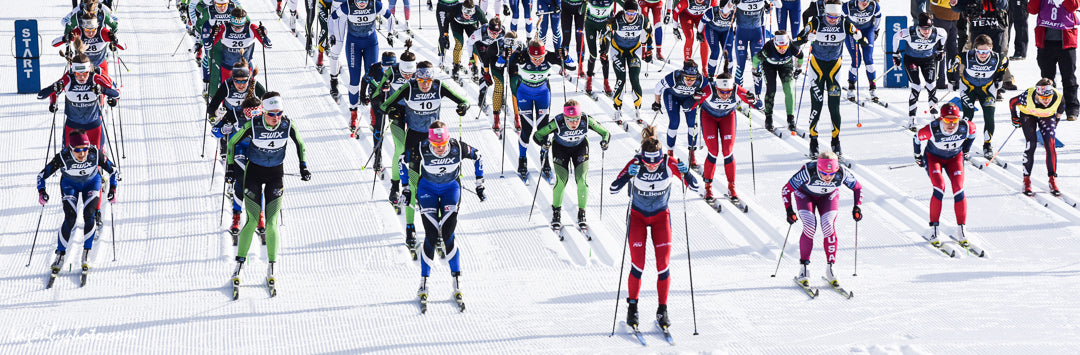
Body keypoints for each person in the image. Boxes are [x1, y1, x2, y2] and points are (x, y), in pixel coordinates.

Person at [609, 125, 699, 330]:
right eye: (648, 163)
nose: (651, 167)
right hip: (638, 217)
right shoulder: (636, 162)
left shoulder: (669, 163)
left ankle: (662, 310)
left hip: (660, 217)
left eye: (655, 163)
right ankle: (632, 308)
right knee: (638, 265)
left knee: (663, 265)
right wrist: (626, 176)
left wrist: (688, 174)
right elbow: (613, 189)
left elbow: (694, 187)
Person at [378, 62, 470, 248]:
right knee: (413, 186)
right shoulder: (409, 87)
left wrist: (463, 107)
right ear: (416, 78)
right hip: (414, 140)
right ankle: (410, 228)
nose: (425, 84)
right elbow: (385, 105)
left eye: (428, 80)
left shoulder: (439, 86)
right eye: (421, 80)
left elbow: (464, 100)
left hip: (435, 142)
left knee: (437, 183)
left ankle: (437, 228)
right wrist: (394, 110)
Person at [226, 93, 311, 293]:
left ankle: (272, 268)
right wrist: (230, 169)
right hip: (253, 174)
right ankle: (238, 267)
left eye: (279, 113)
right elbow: (231, 143)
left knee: (272, 223)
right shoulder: (253, 125)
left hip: (275, 175)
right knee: (252, 220)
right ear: (263, 111)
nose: (276, 117)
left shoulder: (287, 125)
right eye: (272, 114)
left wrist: (303, 166)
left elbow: (300, 144)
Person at [412, 121, 485, 306]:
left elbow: (478, 156)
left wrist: (480, 184)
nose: (438, 149)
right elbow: (402, 161)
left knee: (447, 235)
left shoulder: (457, 147)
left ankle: (457, 283)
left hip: (450, 189)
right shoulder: (422, 147)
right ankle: (423, 283)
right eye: (435, 145)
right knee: (430, 234)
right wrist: (405, 188)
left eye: (442, 145)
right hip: (426, 189)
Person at [37, 131, 119, 283]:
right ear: (70, 148)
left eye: (85, 149)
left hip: (92, 182)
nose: (82, 153)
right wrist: (42, 192)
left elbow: (114, 171)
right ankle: (60, 255)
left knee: (89, 214)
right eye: (77, 150)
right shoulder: (63, 156)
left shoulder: (95, 153)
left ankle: (86, 253)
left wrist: (113, 189)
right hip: (70, 184)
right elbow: (41, 175)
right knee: (70, 218)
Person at [795, 0, 867, 156]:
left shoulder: (845, 23)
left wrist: (860, 37)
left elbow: (861, 38)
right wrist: (808, 37)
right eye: (830, 16)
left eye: (836, 17)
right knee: (817, 104)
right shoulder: (816, 21)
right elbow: (797, 39)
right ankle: (813, 141)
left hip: (835, 68)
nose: (833, 20)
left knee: (834, 106)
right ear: (825, 13)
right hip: (817, 67)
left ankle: (836, 141)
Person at [781, 151, 863, 288]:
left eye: (831, 174)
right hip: (805, 195)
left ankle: (830, 268)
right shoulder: (808, 172)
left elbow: (858, 188)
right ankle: (804, 269)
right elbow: (786, 189)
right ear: (818, 168)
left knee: (828, 225)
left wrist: (857, 207)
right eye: (824, 173)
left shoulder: (841, 173)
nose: (828, 177)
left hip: (828, 197)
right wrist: (789, 210)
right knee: (809, 225)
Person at [533, 100, 612, 231]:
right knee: (561, 181)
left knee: (581, 180)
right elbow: (537, 135)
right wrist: (543, 144)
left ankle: (582, 213)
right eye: (569, 120)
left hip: (580, 148)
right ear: (564, 117)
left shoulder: (586, 120)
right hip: (560, 149)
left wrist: (604, 142)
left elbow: (606, 133)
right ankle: (556, 213)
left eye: (576, 119)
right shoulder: (558, 122)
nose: (574, 123)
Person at [508, 39, 574, 182]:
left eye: (540, 58)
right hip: (524, 93)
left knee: (543, 129)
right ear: (528, 54)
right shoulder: (522, 56)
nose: (537, 61)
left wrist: (566, 56)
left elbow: (573, 66)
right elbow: (504, 66)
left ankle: (545, 160)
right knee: (527, 128)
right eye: (534, 58)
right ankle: (522, 160)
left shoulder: (550, 56)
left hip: (543, 94)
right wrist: (508, 57)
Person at [694, 73, 762, 203]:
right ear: (717, 88)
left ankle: (732, 187)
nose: (725, 95)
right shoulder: (709, 89)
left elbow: (758, 105)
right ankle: (708, 187)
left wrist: (754, 100)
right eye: (722, 92)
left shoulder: (737, 90)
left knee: (728, 150)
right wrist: (695, 97)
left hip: (727, 117)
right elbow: (691, 105)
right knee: (713, 151)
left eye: (728, 92)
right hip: (709, 118)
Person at [913, 103, 975, 245]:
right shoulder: (932, 128)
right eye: (947, 120)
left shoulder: (965, 126)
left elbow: (973, 133)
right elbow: (916, 138)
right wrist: (917, 156)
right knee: (939, 187)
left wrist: (966, 149)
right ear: (941, 119)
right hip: (934, 158)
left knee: (959, 188)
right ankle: (934, 230)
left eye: (954, 120)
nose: (951, 124)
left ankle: (961, 229)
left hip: (955, 158)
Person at [330, 0, 393, 131]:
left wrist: (390, 33)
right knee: (354, 80)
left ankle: (373, 113)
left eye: (365, 0)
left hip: (371, 43)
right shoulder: (348, 5)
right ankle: (353, 114)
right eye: (359, 0)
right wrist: (332, 34)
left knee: (373, 79)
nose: (362, 3)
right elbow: (333, 17)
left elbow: (389, 16)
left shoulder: (375, 4)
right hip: (353, 44)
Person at [37, 54, 121, 151]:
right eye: (77, 74)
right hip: (72, 126)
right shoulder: (68, 79)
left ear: (89, 70)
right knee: (68, 160)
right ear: (74, 72)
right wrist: (54, 89)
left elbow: (116, 94)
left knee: (97, 160)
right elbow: (40, 95)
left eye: (85, 73)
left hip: (93, 125)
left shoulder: (95, 78)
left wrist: (102, 89)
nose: (81, 77)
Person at [950, 34, 1008, 158]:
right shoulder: (967, 56)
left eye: (986, 51)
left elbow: (1004, 63)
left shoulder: (997, 58)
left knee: (989, 116)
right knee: (968, 115)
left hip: (987, 89)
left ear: (991, 49)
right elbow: (952, 62)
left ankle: (987, 145)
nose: (983, 54)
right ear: (975, 49)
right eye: (980, 51)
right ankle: (963, 144)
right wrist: (952, 80)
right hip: (968, 88)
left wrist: (999, 78)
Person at [1011, 78, 1065, 196]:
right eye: (1043, 98)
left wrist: (1057, 120)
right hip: (1028, 115)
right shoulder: (1027, 96)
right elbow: (1012, 102)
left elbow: (1062, 106)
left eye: (1048, 97)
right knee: (1031, 144)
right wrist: (1014, 117)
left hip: (1047, 116)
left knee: (1050, 145)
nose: (1046, 100)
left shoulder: (1057, 96)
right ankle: (1026, 180)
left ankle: (1052, 180)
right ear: (1037, 94)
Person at [893, 12, 946, 131]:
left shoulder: (938, 32)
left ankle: (934, 115)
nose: (926, 32)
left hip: (928, 59)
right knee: (916, 87)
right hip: (912, 60)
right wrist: (895, 53)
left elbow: (944, 35)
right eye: (923, 29)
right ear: (918, 27)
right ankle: (912, 117)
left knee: (931, 86)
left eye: (929, 29)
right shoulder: (909, 32)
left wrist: (940, 49)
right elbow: (896, 36)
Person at [1028, 0, 1079, 121]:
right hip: (1045, 42)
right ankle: (1050, 106)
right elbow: (1032, 9)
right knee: (1047, 78)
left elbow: (1073, 6)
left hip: (1066, 42)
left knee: (1069, 77)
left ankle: (1072, 108)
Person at [954, 0, 1016, 95]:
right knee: (977, 57)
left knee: (996, 57)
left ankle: (995, 88)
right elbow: (959, 7)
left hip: (996, 27)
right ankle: (976, 88)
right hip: (977, 27)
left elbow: (1004, 5)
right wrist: (954, 4)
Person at [653, 60, 707, 168]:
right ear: (682, 75)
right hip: (672, 97)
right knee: (674, 122)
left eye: (692, 78)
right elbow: (658, 87)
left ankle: (692, 155)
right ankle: (670, 153)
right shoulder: (674, 77)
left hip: (689, 99)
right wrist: (657, 102)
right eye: (687, 78)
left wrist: (702, 100)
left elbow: (709, 92)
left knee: (693, 124)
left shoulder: (701, 80)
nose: (690, 81)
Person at [206, 8, 269, 99]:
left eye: (240, 27)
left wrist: (264, 35)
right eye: (234, 26)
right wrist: (212, 35)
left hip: (246, 68)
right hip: (228, 68)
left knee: (249, 93)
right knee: (226, 94)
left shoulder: (251, 28)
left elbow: (268, 45)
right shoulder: (224, 28)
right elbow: (208, 46)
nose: (237, 30)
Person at [608, 1, 654, 123]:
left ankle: (638, 109)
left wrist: (649, 50)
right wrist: (603, 50)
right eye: (628, 13)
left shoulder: (642, 20)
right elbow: (606, 34)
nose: (631, 16)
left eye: (633, 13)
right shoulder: (617, 21)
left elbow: (649, 32)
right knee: (620, 79)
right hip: (618, 51)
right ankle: (618, 110)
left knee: (635, 78)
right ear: (624, 12)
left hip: (634, 51)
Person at [752, 30, 803, 131]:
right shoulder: (768, 48)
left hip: (786, 65)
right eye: (779, 47)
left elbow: (801, 56)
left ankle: (790, 118)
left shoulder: (792, 46)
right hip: (769, 65)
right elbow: (756, 58)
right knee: (771, 89)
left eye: (784, 47)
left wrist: (798, 68)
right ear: (775, 44)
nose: (782, 50)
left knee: (788, 89)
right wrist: (755, 70)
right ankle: (768, 118)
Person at [464, 18, 508, 131]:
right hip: (482, 47)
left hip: (495, 49)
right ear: (488, 29)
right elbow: (469, 43)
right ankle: (482, 96)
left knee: (499, 69)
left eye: (496, 33)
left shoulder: (503, 32)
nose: (494, 35)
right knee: (485, 68)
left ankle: (500, 96)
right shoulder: (480, 33)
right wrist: (471, 59)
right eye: (492, 32)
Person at [53, 13, 124, 77]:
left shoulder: (103, 33)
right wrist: (65, 38)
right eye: (87, 30)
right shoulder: (78, 32)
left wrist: (115, 40)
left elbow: (124, 47)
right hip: (81, 66)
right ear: (83, 28)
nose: (90, 33)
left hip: (99, 65)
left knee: (106, 86)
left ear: (97, 27)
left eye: (93, 30)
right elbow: (54, 43)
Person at [843, 0, 881, 101]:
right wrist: (848, 31)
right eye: (862, 0)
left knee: (868, 58)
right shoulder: (847, 6)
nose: (865, 2)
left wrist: (876, 31)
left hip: (867, 30)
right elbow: (840, 19)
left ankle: (873, 88)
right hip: (852, 32)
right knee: (856, 60)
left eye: (867, 0)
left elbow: (878, 16)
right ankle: (851, 87)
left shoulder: (873, 6)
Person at [582, 0, 620, 97]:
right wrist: (584, 3)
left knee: (604, 55)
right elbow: (581, 12)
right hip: (590, 25)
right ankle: (589, 80)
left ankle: (606, 83)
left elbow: (627, 5)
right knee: (593, 54)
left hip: (605, 26)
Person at [729, 0, 768, 90]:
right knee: (740, 66)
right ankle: (738, 95)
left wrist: (768, 5)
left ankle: (757, 96)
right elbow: (725, 10)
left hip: (756, 34)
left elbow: (779, 5)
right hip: (742, 34)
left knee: (757, 67)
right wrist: (732, 2)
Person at [449, 0, 488, 81]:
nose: (468, 16)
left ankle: (474, 66)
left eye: (470, 14)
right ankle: (456, 66)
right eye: (466, 14)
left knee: (475, 44)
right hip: (457, 25)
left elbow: (485, 25)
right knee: (459, 44)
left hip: (471, 25)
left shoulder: (478, 11)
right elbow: (447, 20)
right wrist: (445, 34)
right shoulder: (456, 8)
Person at [674, 0, 715, 73]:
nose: (700, 0)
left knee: (704, 39)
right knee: (689, 38)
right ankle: (687, 65)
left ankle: (704, 69)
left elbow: (716, 12)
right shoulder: (686, 1)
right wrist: (675, 28)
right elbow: (676, 12)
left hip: (701, 17)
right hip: (686, 16)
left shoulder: (712, 1)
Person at [929, 0, 961, 90]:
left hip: (941, 12)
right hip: (955, 13)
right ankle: (954, 80)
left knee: (940, 47)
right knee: (952, 48)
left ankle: (939, 81)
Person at [697, 2, 735, 78]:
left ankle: (729, 75)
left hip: (726, 31)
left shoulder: (734, 12)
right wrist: (699, 32)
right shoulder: (712, 12)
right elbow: (702, 21)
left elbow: (739, 22)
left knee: (728, 53)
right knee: (715, 51)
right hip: (712, 31)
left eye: (728, 11)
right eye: (722, 11)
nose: (725, 14)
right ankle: (711, 76)